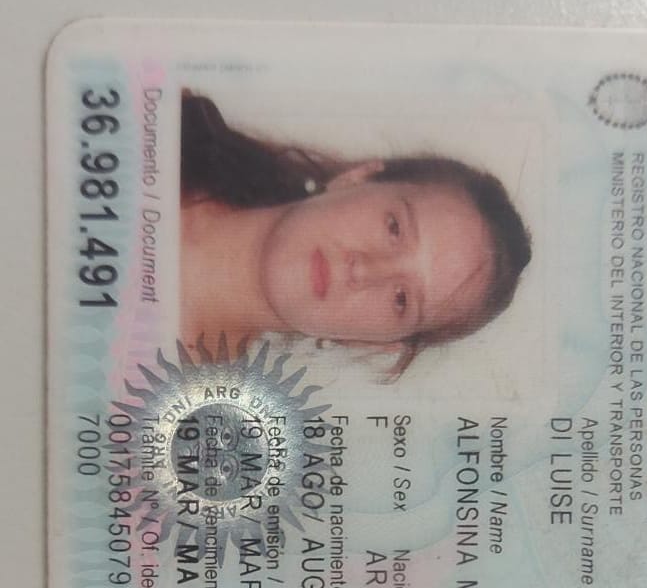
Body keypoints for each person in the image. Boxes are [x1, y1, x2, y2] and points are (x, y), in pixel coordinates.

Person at [180, 92, 532, 376]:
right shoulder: (157, 122)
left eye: (401, 299)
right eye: (394, 227)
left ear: (372, 343)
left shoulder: (173, 416)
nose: (364, 270)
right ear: (356, 179)